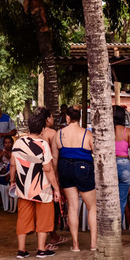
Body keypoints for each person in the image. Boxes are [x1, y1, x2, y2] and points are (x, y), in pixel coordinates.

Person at [12, 108, 61, 259]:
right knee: (44, 217)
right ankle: (41, 249)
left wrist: (12, 181)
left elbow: (13, 164)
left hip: (23, 186)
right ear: (41, 129)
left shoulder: (18, 143)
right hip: (42, 187)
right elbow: (48, 169)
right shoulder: (42, 145)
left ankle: (21, 250)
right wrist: (56, 188)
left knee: (23, 218)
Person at [57, 106, 97, 251]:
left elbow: (55, 158)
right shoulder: (87, 134)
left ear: (67, 117)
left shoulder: (59, 134)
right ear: (79, 117)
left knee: (72, 207)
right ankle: (93, 244)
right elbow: (96, 153)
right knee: (92, 206)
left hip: (64, 168)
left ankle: (75, 245)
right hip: (83, 168)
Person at [114, 106, 130, 222]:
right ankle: (117, 227)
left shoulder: (107, 131)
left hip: (110, 165)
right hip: (125, 165)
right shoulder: (127, 132)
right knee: (122, 199)